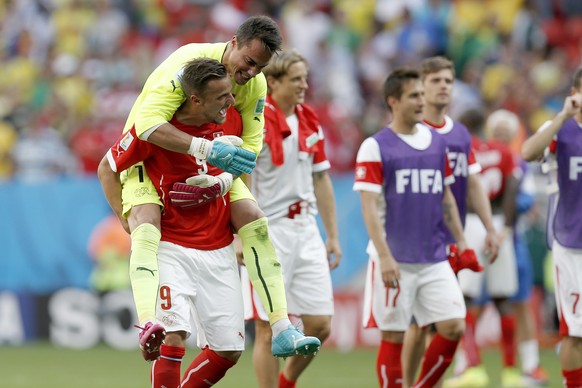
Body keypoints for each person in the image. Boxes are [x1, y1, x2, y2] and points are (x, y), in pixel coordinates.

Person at [115, 15, 320, 360]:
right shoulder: (186, 66)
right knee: (147, 223)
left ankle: (282, 327)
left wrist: (223, 180)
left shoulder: (255, 84)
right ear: (234, 42)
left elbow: (253, 146)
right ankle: (148, 321)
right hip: (146, 159)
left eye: (261, 67)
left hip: (208, 168)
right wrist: (205, 149)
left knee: (254, 217)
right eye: (249, 62)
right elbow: (146, 126)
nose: (252, 72)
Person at [98, 58, 246, 388]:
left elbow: (244, 166)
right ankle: (148, 323)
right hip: (171, 245)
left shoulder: (231, 120)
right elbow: (107, 168)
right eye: (222, 95)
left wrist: (232, 209)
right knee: (173, 336)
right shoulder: (155, 128)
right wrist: (126, 219)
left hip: (217, 246)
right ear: (196, 100)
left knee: (229, 350)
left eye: (230, 93)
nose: (231, 101)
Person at [354, 68, 470, 388]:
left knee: (454, 327)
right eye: (414, 95)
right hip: (395, 259)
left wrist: (460, 240)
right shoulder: (375, 146)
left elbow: (446, 195)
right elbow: (369, 207)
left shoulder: (435, 141)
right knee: (393, 335)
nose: (422, 101)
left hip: (433, 256)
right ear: (394, 101)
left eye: (422, 94)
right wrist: (385, 256)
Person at [239, 50, 342, 388]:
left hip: (306, 228)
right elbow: (244, 176)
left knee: (320, 324)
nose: (304, 85)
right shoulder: (257, 119)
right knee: (268, 328)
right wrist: (243, 233)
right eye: (296, 79)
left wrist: (332, 235)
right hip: (270, 231)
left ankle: (287, 382)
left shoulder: (309, 119)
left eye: (305, 78)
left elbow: (321, 178)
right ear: (274, 81)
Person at [401, 56, 499, 387]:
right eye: (436, 81)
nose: (443, 86)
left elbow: (473, 183)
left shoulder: (459, 134)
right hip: (418, 242)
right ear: (422, 87)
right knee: (417, 326)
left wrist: (489, 228)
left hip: (451, 242)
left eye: (448, 81)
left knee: (445, 323)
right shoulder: (412, 131)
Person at [444, 108, 522, 388]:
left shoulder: (465, 148)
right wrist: (506, 228)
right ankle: (511, 372)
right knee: (503, 299)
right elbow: (513, 188)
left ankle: (472, 367)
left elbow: (458, 189)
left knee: (465, 298)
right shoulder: (504, 152)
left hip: (473, 222)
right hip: (499, 223)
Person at [522, 67, 582, 388]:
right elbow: (528, 153)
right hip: (572, 243)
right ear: (575, 92)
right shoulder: (560, 130)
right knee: (575, 331)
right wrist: (562, 117)